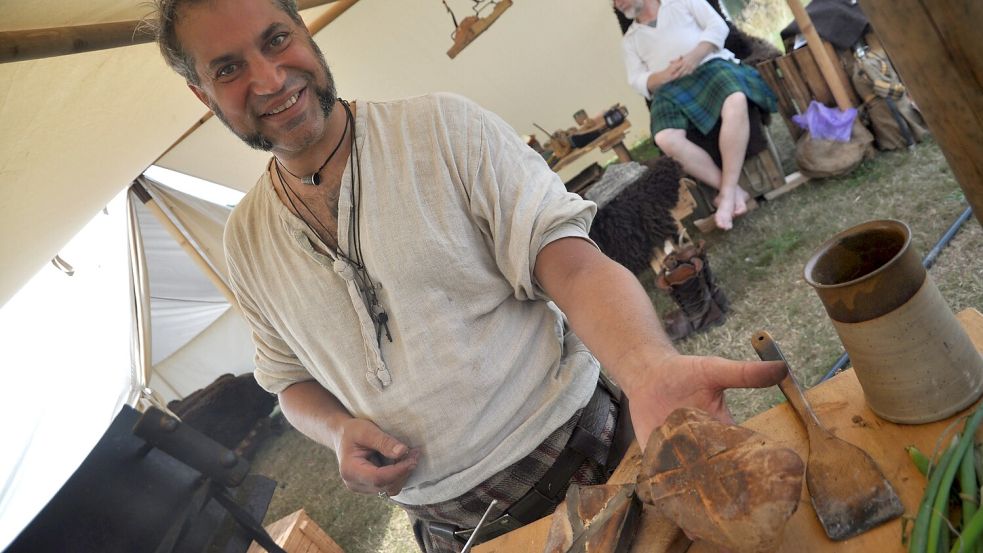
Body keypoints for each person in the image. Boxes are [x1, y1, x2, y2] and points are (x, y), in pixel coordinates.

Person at [149, 0, 785, 551]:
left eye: (276, 39)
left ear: (304, 31)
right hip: (454, 530)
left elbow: (568, 259)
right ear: (202, 94)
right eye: (228, 69)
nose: (268, 78)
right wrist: (338, 429)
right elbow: (287, 379)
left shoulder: (441, 131)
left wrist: (646, 369)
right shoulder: (246, 241)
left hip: (594, 460)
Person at [615, 0, 778, 230]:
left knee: (736, 100)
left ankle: (727, 194)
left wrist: (693, 57)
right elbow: (637, 79)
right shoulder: (630, 40)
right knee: (665, 137)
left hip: (711, 65)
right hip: (669, 88)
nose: (617, 3)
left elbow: (717, 26)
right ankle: (731, 191)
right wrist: (663, 76)